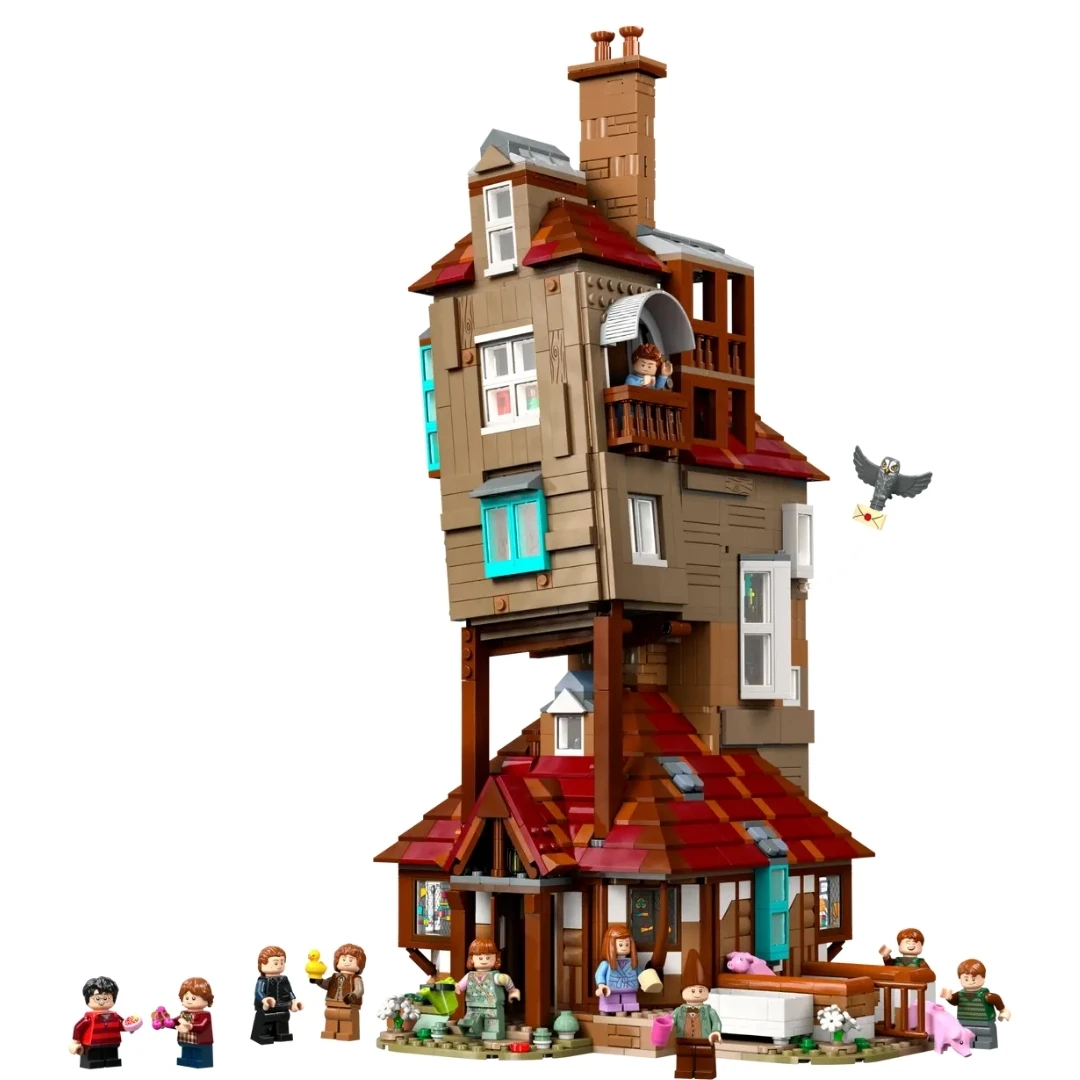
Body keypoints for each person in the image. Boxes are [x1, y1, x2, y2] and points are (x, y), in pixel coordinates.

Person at [669, 950, 722, 1079]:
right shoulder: (679, 1010)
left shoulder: (709, 1010)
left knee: (704, 1057)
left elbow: (716, 1022)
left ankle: (704, 1072)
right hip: (683, 1040)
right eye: (692, 990)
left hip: (704, 1040)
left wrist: (715, 1032)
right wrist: (668, 1024)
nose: (697, 994)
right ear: (683, 992)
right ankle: (684, 1071)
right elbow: (671, 1020)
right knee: (684, 1057)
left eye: (701, 990)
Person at [454, 938, 520, 1041]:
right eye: (480, 958)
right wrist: (454, 987)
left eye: (488, 957)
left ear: (496, 958)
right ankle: (473, 1032)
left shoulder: (495, 976)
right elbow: (460, 986)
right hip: (473, 1005)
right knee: (471, 1020)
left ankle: (492, 1032)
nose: (484, 960)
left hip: (492, 1005)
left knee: (492, 1021)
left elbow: (506, 979)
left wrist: (512, 991)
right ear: (471, 959)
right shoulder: (469, 976)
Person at [940, 959, 1011, 1050]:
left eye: (974, 979)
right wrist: (949, 997)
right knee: (967, 1035)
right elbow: (954, 1001)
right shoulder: (960, 994)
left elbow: (996, 999)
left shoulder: (986, 995)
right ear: (960, 979)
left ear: (983, 978)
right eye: (966, 979)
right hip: (964, 1021)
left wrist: (1003, 1010)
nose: (970, 982)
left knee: (985, 1035)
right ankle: (967, 1043)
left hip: (984, 1022)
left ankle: (984, 1042)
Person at [70, 976, 136, 1069]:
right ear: (88, 999)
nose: (101, 1002)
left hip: (112, 1042)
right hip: (93, 1044)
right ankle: (93, 1062)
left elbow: (122, 1024)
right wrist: (76, 1042)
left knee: (111, 1054)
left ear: (113, 998)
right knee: (94, 1056)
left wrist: (130, 1027)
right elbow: (78, 1028)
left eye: (105, 999)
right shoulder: (89, 1018)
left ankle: (112, 1061)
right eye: (97, 999)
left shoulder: (114, 1016)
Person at [310, 943, 365, 1041]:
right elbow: (326, 984)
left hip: (348, 1004)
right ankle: (330, 1031)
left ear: (359, 964)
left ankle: (347, 1032)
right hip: (332, 1002)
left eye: (351, 960)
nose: (346, 962)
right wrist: (318, 981)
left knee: (347, 1017)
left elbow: (359, 990)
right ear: (337, 962)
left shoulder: (356, 978)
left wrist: (353, 996)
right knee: (330, 1015)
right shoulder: (334, 977)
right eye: (343, 959)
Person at [594, 924, 654, 1015]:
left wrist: (645, 982)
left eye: (627, 944)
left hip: (630, 990)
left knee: (630, 1003)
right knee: (611, 1003)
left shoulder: (633, 963)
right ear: (610, 945)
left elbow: (640, 974)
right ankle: (608, 1009)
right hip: (610, 992)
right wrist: (601, 985)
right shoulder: (606, 964)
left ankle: (629, 1008)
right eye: (620, 944)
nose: (624, 947)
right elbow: (599, 974)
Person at [251, 946, 303, 1044]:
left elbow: (289, 991)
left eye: (282, 963)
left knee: (284, 1017)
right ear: (262, 964)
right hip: (268, 1006)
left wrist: (293, 1001)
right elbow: (258, 992)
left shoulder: (284, 979)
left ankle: (282, 1033)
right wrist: (264, 999)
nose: (279, 966)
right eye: (275, 963)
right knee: (266, 1018)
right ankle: (263, 1034)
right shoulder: (263, 980)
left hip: (283, 1005)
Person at [173, 978, 213, 1069]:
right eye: (186, 998)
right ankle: (186, 1060)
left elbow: (202, 1025)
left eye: (193, 998)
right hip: (186, 1039)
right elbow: (176, 1021)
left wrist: (190, 1026)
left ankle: (199, 1061)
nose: (189, 1001)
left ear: (207, 999)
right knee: (186, 1050)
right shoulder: (184, 1013)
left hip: (201, 1042)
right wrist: (166, 1022)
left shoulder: (205, 1015)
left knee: (198, 1052)